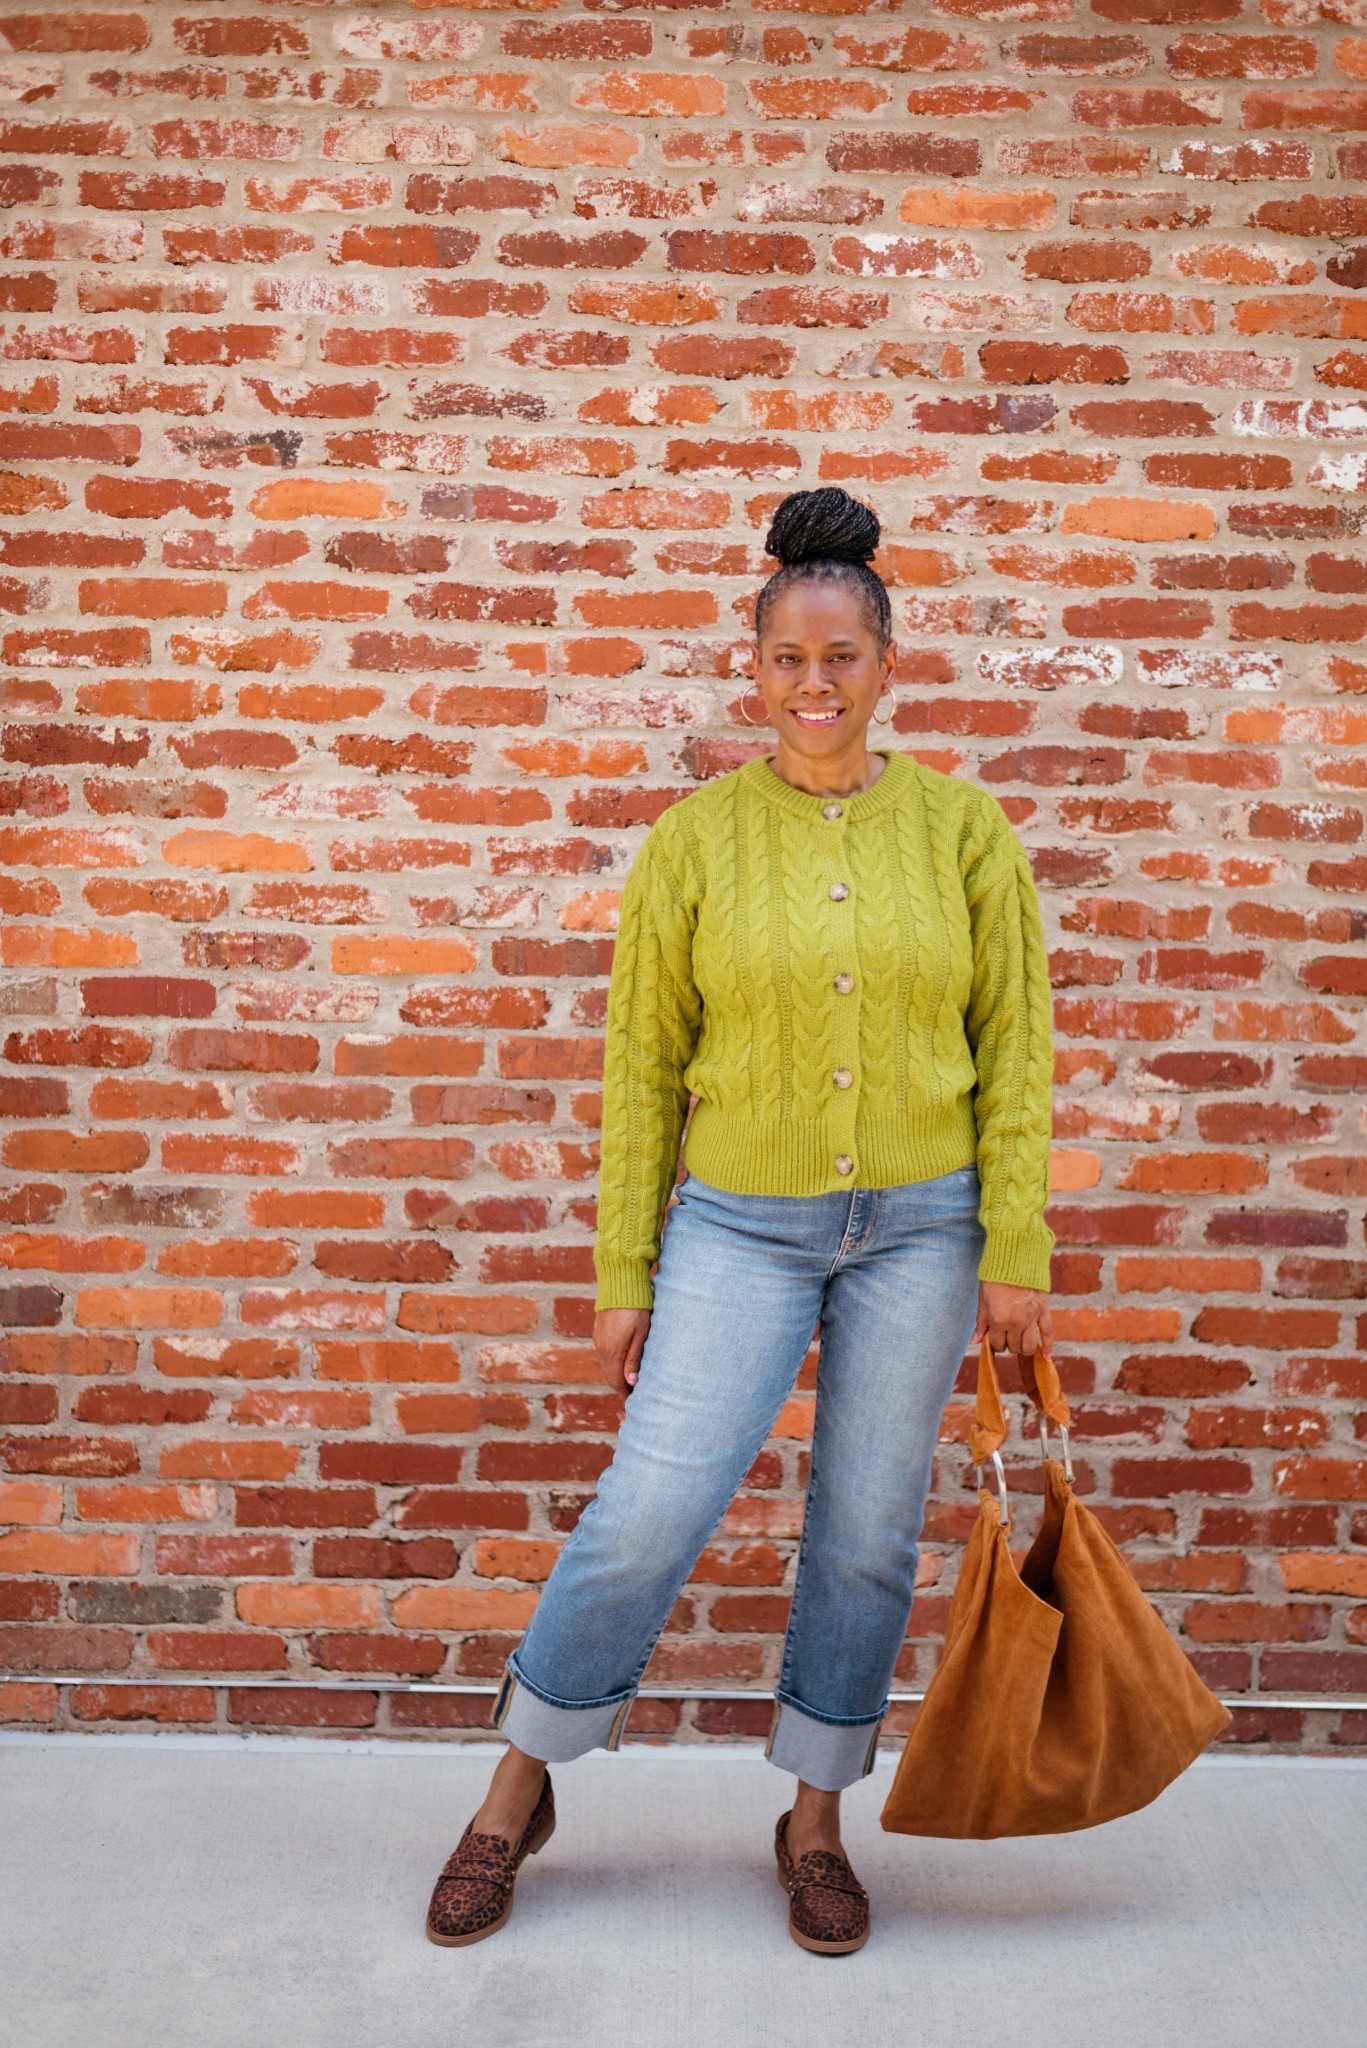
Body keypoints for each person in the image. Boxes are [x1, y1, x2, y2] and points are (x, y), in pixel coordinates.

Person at [424, 486, 1056, 1956]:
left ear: (886, 667)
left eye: (843, 658)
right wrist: (622, 1273)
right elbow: (640, 1068)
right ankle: (518, 1790)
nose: (816, 686)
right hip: (740, 1226)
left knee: (863, 1538)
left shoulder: (966, 832)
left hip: (923, 1226)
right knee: (649, 1507)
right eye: (789, 661)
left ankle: (815, 1820)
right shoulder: (694, 842)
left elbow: (1017, 1050)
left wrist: (1014, 1250)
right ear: (753, 670)